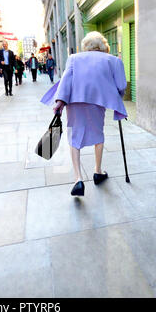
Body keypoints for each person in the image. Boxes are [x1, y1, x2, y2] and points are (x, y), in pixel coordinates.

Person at [41, 31, 127, 197]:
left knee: (74, 137)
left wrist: (60, 101)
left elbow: (66, 81)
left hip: (75, 102)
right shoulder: (113, 60)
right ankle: (98, 171)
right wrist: (116, 98)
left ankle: (78, 179)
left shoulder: (74, 58)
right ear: (104, 46)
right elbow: (121, 85)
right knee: (98, 134)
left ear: (86, 45)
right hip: (98, 102)